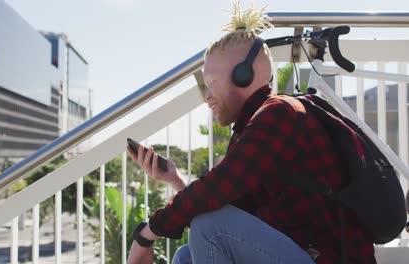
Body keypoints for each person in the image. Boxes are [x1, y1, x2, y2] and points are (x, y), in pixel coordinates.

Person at [127, 2, 376, 263]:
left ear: (243, 75)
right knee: (186, 255)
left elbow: (214, 195)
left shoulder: (279, 115)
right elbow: (222, 201)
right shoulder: (253, 127)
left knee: (211, 227)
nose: (207, 96)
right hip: (301, 253)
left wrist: (146, 235)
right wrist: (175, 179)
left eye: (212, 83)